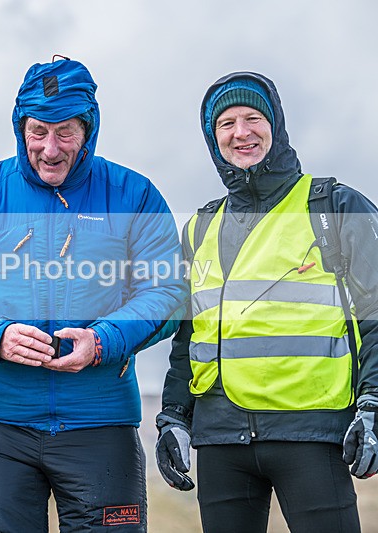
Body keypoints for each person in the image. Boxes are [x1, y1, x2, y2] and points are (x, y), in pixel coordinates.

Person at [0, 57, 187, 532]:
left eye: (65, 131)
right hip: (3, 429)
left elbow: (167, 289)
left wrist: (104, 339)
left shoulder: (134, 194)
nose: (49, 148)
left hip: (102, 425)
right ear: (20, 127)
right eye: (38, 131)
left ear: (88, 129)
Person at [156, 71, 378, 532]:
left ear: (275, 125)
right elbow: (187, 337)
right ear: (211, 137)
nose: (241, 132)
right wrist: (173, 417)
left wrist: (374, 403)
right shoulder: (199, 228)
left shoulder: (334, 207)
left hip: (310, 435)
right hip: (219, 441)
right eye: (226, 123)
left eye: (253, 117)